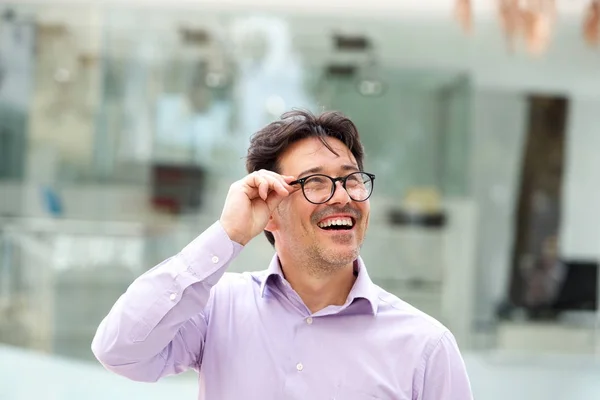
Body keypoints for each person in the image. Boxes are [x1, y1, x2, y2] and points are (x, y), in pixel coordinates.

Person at [92, 110, 473, 399]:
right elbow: (119, 349)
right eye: (316, 183)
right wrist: (227, 235)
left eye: (351, 179)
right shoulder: (217, 309)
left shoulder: (426, 347)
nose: (342, 196)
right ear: (271, 210)